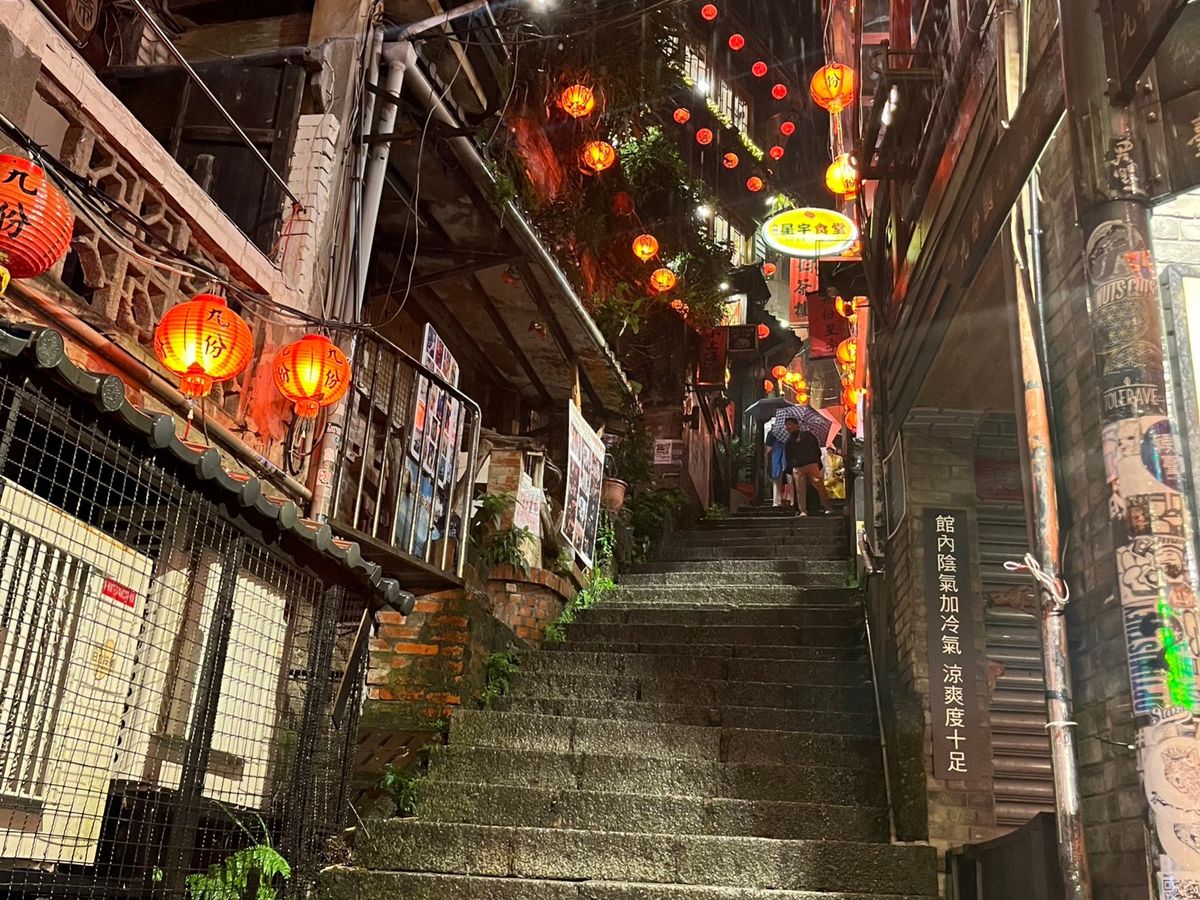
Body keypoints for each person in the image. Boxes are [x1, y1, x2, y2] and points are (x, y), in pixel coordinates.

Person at [768, 417, 831, 516]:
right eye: (786, 425)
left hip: (811, 464)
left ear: (797, 425)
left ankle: (826, 506)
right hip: (798, 467)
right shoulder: (788, 441)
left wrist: (815, 461)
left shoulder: (808, 435)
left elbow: (816, 448)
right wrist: (791, 468)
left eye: (790, 424)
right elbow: (788, 456)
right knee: (800, 490)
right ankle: (803, 510)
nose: (788, 427)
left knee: (819, 486)